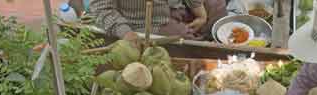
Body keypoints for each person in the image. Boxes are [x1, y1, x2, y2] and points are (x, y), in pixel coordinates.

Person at [89, 0, 227, 41]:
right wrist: (125, 32)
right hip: (144, 20)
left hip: (176, 4)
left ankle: (217, 42)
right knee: (185, 39)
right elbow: (101, 8)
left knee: (217, 6)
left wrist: (199, 10)